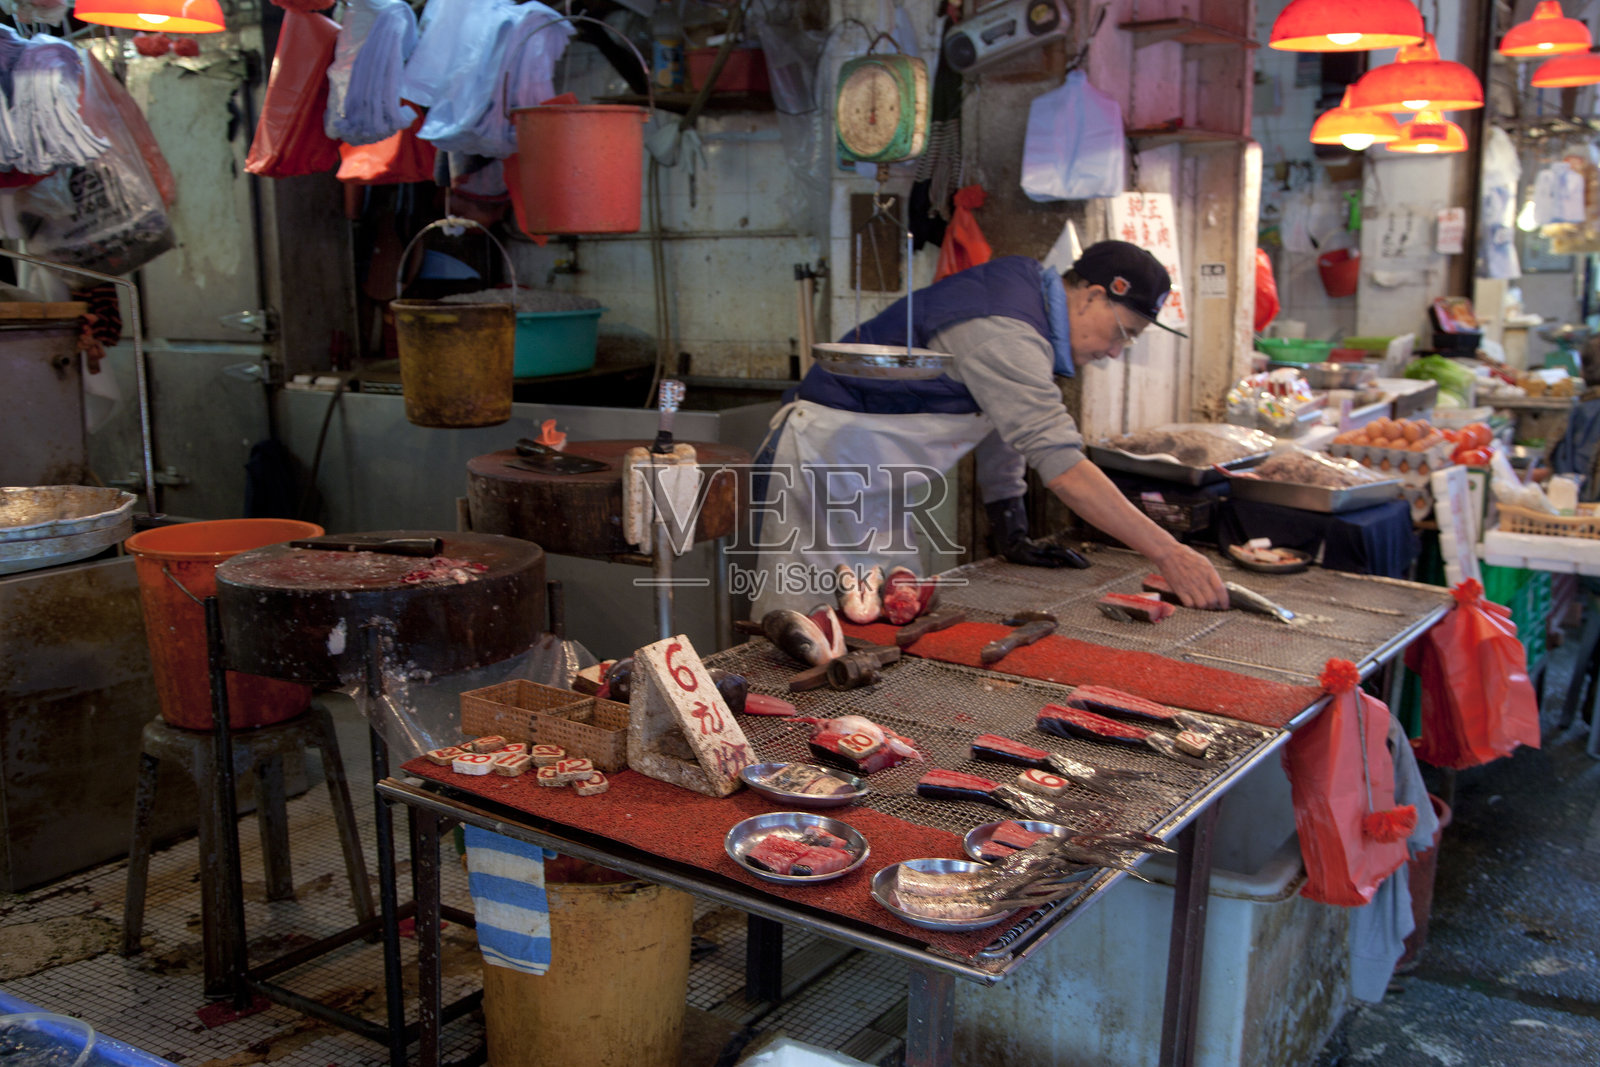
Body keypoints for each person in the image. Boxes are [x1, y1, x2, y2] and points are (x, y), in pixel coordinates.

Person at [747, 240, 1229, 616]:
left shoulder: (1030, 299)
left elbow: (1002, 419)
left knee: (883, 616)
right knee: (799, 625)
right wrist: (1168, 553)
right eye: (1124, 334)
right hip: (820, 464)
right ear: (1093, 296)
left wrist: (1010, 525)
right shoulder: (1008, 328)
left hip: (871, 478)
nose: (1114, 352)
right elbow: (1063, 467)